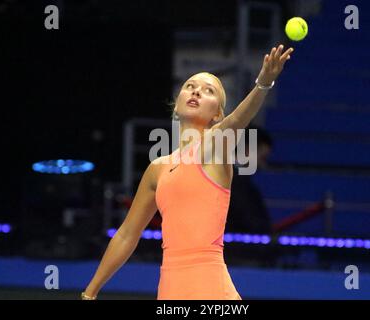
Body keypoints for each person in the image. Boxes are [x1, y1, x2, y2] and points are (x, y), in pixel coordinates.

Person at [82, 44, 294, 300]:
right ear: (176, 104)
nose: (196, 91)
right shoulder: (157, 169)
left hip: (211, 291)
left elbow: (238, 119)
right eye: (190, 86)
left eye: (209, 91)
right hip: (170, 292)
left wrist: (262, 83)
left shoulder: (215, 147)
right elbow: (127, 234)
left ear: (217, 114)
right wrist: (90, 293)